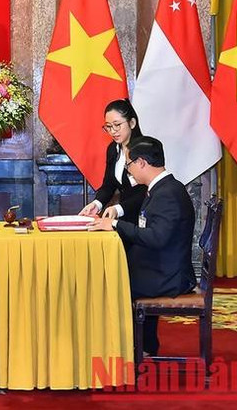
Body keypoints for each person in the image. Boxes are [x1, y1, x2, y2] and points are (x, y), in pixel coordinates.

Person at [89, 136, 196, 355]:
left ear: (141, 163)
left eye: (129, 165)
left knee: (108, 279)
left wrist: (116, 225)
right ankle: (142, 345)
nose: (129, 172)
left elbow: (156, 238)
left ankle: (122, 348)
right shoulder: (162, 188)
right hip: (161, 265)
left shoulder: (168, 194)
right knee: (114, 269)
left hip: (168, 275)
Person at [80, 99, 147, 223]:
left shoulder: (144, 149)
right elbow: (108, 185)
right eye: (109, 127)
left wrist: (119, 208)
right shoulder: (113, 149)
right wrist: (97, 203)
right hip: (124, 218)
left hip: (144, 216)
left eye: (117, 125)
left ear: (132, 123)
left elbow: (147, 191)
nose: (113, 131)